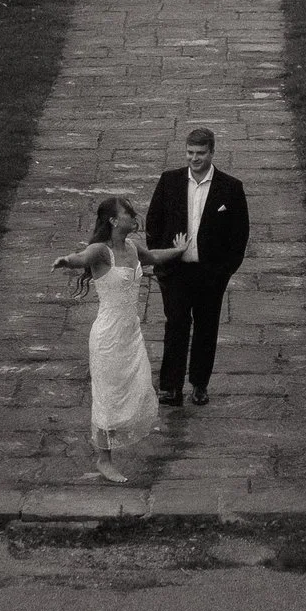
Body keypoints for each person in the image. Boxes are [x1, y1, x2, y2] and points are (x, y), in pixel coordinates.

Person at [52, 196, 185, 482]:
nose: (134, 217)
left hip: (130, 334)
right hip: (108, 337)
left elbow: (155, 256)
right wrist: (67, 261)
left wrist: (180, 249)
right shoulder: (101, 251)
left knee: (137, 386)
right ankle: (104, 459)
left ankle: (111, 444)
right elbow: (82, 257)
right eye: (128, 214)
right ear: (113, 220)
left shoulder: (133, 248)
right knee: (107, 397)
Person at [143, 127, 249, 408]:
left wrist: (224, 271)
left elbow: (240, 235)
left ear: (212, 153)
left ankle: (199, 384)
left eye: (200, 153)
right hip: (176, 272)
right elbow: (153, 223)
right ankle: (170, 388)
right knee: (175, 325)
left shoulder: (230, 188)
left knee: (206, 328)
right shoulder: (169, 181)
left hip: (210, 274)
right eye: (190, 153)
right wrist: (161, 260)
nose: (194, 158)